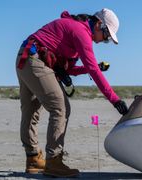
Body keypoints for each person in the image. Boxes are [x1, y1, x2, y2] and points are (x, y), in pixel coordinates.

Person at [15, 8, 128, 178]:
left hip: (25, 58)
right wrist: (115, 100)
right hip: (34, 59)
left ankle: (33, 159)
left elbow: (72, 70)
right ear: (98, 24)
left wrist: (93, 68)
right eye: (106, 36)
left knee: (31, 111)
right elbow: (93, 69)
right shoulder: (81, 32)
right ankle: (54, 161)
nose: (103, 40)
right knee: (61, 108)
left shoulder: (76, 29)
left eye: (107, 40)